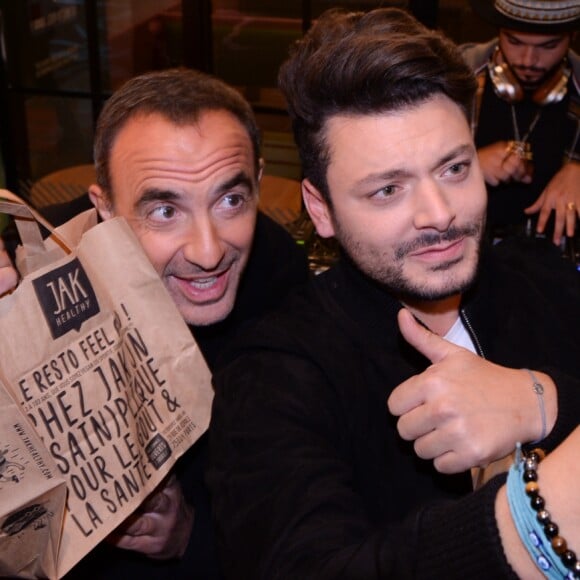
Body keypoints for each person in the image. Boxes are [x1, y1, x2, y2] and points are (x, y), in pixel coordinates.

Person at [207, 8, 580, 579]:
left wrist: (543, 402)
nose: (439, 214)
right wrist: (538, 518)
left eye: (454, 168)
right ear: (321, 209)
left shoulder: (540, 276)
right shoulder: (273, 374)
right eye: (387, 189)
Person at [4, 68, 309, 578]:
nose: (209, 252)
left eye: (231, 200)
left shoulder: (280, 284)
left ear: (257, 184)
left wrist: (194, 534)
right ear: (102, 208)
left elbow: (284, 496)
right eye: (165, 210)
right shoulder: (34, 261)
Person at [461, 0, 580, 246]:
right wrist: (462, 166)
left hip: (553, 267)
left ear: (572, 36)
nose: (528, 60)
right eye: (514, 42)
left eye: (548, 46)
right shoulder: (454, 77)